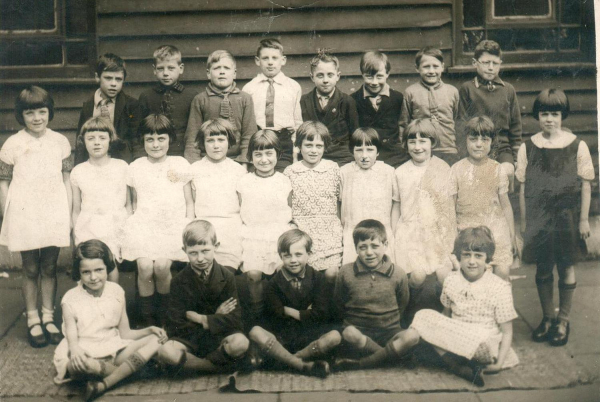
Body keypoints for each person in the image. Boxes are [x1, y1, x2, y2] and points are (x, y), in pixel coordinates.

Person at [391, 227, 520, 386]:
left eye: (478, 256)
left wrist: (499, 364)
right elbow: (446, 316)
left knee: (480, 341)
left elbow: (507, 331)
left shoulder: (499, 287)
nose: (472, 261)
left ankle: (451, 359)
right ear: (459, 257)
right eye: (466, 255)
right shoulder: (452, 280)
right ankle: (456, 366)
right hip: (457, 336)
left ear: (488, 259)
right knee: (423, 316)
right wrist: (435, 332)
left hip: (483, 343)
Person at [516, 89, 594, 346]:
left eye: (555, 114)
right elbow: (524, 188)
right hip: (540, 218)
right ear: (538, 115)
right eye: (544, 113)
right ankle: (548, 318)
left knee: (566, 265)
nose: (549, 119)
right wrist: (526, 222)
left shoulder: (576, 145)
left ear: (563, 115)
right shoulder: (528, 146)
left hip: (567, 217)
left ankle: (564, 320)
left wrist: (584, 220)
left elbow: (585, 185)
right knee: (543, 266)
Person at [0, 86, 71, 348]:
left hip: (53, 210)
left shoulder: (60, 142)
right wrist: (8, 214)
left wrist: (67, 213)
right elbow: (4, 183)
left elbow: (66, 181)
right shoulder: (13, 144)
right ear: (21, 116)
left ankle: (49, 316)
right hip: (25, 214)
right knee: (30, 268)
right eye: (30, 113)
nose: (37, 118)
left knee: (50, 267)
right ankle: (32, 318)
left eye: (42, 111)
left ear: (49, 112)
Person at [53, 240, 167, 402]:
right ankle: (130, 372)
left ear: (108, 267)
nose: (93, 277)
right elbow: (71, 337)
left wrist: (149, 330)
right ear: (78, 272)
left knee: (157, 339)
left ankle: (107, 379)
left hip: (113, 349)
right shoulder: (70, 299)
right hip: (84, 351)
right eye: (86, 272)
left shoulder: (116, 292)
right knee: (80, 366)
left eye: (99, 270)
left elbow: (125, 333)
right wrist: (75, 350)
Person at [121, 114, 194, 326]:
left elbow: (189, 201)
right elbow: (132, 203)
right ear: (142, 141)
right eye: (149, 139)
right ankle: (147, 319)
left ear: (170, 139)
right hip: (144, 225)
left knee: (162, 267)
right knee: (144, 267)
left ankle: (165, 316)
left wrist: (187, 225)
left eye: (161, 138)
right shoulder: (135, 167)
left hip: (173, 226)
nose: (155, 144)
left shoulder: (179, 163)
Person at [157, 220, 249, 374]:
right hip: (191, 339)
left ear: (216, 246)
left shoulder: (226, 277)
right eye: (193, 253)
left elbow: (235, 318)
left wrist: (203, 319)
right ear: (184, 250)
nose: (200, 258)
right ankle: (213, 366)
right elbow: (175, 322)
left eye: (205, 251)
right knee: (165, 352)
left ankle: (193, 366)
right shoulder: (178, 281)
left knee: (241, 343)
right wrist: (217, 316)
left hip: (219, 337)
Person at [248, 229, 341, 377]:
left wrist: (290, 311)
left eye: (298, 254)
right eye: (287, 256)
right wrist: (307, 312)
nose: (293, 260)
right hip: (283, 337)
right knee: (255, 332)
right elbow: (276, 314)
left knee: (335, 336)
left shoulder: (318, 279)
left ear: (309, 255)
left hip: (311, 337)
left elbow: (321, 314)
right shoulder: (274, 284)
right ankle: (301, 364)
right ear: (281, 256)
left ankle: (288, 361)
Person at [332, 219, 409, 370]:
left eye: (375, 246)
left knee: (412, 336)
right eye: (363, 247)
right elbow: (338, 304)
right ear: (355, 248)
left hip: (389, 334)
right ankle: (387, 357)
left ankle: (366, 362)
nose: (369, 252)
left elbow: (403, 304)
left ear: (385, 245)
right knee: (349, 333)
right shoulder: (346, 272)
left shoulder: (399, 273)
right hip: (359, 335)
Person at [450, 116, 517, 280]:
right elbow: (450, 207)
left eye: (484, 139)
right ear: (466, 140)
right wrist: (451, 236)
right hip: (466, 230)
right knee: (470, 274)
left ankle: (499, 304)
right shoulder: (457, 170)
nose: (478, 144)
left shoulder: (498, 169)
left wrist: (512, 235)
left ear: (491, 142)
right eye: (473, 139)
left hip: (494, 232)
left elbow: (506, 206)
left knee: (502, 271)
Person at [394, 118, 456, 289]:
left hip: (436, 234)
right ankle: (407, 309)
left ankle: (446, 311)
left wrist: (450, 240)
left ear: (432, 143)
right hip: (410, 235)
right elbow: (397, 206)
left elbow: (449, 208)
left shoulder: (442, 168)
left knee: (445, 275)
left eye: (423, 141)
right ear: (406, 145)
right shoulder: (400, 172)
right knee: (417, 277)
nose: (417, 147)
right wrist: (393, 235)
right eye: (412, 142)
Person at [71, 117, 130, 283]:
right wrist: (77, 235)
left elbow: (129, 203)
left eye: (102, 138)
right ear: (83, 141)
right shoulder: (78, 171)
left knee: (110, 265)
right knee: (88, 266)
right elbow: (76, 209)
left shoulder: (122, 167)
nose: (96, 143)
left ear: (110, 140)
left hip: (114, 223)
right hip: (88, 225)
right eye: (91, 138)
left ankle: (110, 303)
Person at [457, 40, 522, 190]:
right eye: (486, 62)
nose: (491, 67)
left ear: (500, 63)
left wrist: (516, 156)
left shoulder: (508, 90)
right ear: (475, 63)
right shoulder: (468, 89)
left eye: (495, 63)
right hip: (476, 147)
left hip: (502, 148)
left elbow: (515, 126)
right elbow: (461, 123)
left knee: (506, 173)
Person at [284, 121, 343, 282]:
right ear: (299, 146)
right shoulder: (291, 172)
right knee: (304, 277)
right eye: (308, 145)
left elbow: (338, 202)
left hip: (329, 232)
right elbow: (287, 206)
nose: (313, 150)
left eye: (319, 146)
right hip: (302, 231)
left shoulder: (333, 169)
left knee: (331, 274)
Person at [190, 119, 246, 269]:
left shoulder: (238, 170)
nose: (216, 145)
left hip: (230, 227)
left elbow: (243, 206)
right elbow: (192, 204)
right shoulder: (194, 169)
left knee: (226, 271)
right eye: (210, 140)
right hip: (203, 228)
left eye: (221, 139)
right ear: (202, 143)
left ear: (229, 141)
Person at [340, 128, 400, 266]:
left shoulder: (388, 172)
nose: (364, 155)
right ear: (352, 151)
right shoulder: (344, 172)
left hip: (381, 231)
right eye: (359, 150)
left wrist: (391, 231)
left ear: (378, 151)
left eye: (370, 150)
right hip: (353, 231)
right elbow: (340, 204)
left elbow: (396, 203)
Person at [185, 50, 257, 165]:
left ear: (234, 73)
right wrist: (194, 165)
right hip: (207, 161)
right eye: (217, 68)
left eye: (227, 68)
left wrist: (245, 162)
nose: (222, 72)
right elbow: (192, 137)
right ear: (208, 73)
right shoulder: (200, 100)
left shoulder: (245, 99)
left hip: (236, 160)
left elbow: (249, 134)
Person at [243, 38, 303, 171]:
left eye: (275, 58)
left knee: (284, 176)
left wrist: (295, 152)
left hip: (284, 141)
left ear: (283, 60)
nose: (270, 62)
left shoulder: (293, 87)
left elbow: (297, 122)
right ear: (257, 60)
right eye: (265, 58)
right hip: (259, 139)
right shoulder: (249, 88)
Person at [399, 47, 460, 166]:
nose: (431, 71)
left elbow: (458, 121)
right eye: (426, 66)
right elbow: (404, 124)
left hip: (448, 150)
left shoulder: (452, 91)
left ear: (442, 66)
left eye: (435, 66)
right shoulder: (411, 92)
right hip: (421, 152)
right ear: (417, 68)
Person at [76, 53, 139, 165]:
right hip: (94, 164)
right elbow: (80, 142)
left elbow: (136, 141)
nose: (113, 84)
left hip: (122, 163)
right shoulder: (88, 106)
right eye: (108, 78)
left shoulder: (131, 105)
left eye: (118, 79)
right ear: (97, 77)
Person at [137, 45, 196, 160]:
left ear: (181, 68)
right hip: (153, 154)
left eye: (171, 68)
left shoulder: (191, 96)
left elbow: (193, 131)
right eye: (160, 68)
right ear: (154, 70)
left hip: (182, 154)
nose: (165, 73)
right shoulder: (146, 96)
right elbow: (140, 131)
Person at [300, 50, 358, 166]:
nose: (325, 80)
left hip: (341, 157)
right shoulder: (304, 101)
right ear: (312, 77)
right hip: (313, 157)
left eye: (330, 75)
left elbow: (354, 135)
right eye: (320, 75)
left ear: (338, 76)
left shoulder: (347, 101)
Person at [350, 51, 406, 168]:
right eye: (369, 77)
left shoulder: (397, 98)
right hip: (366, 155)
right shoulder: (353, 99)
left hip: (393, 155)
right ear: (362, 74)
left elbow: (402, 125)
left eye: (379, 76)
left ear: (387, 74)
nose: (374, 82)